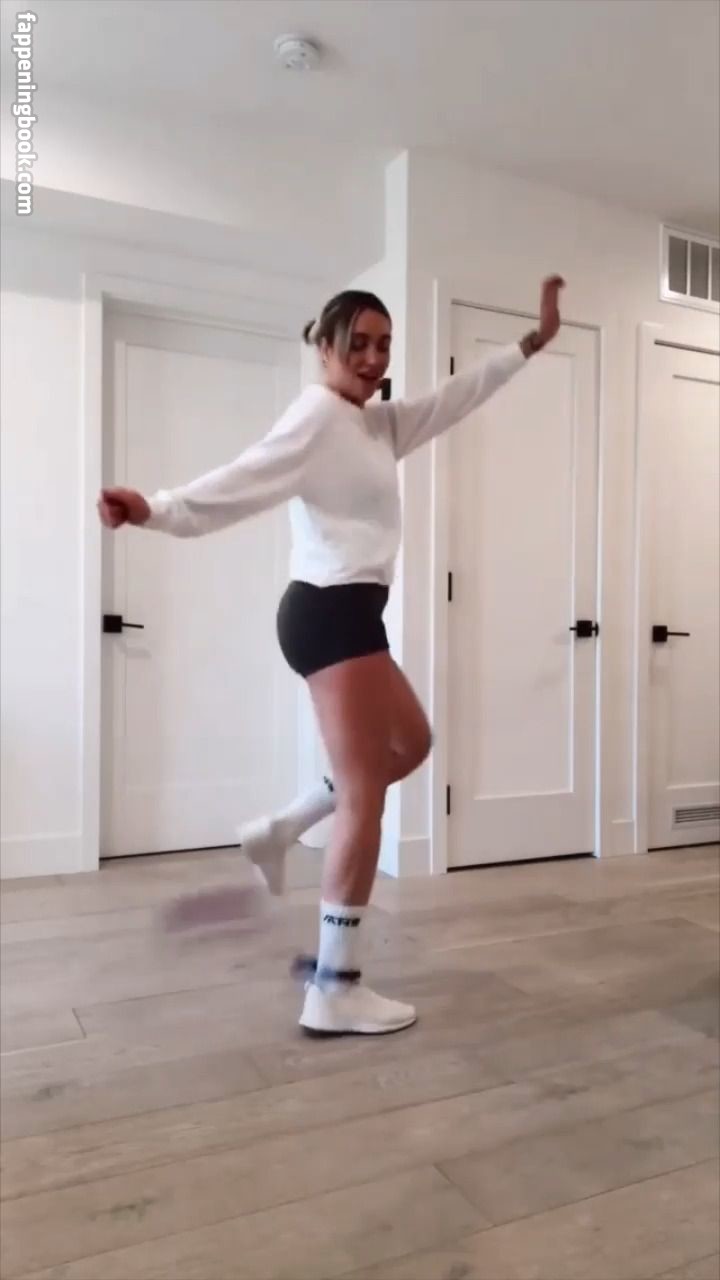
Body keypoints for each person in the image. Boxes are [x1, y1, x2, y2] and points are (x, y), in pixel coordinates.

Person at [98, 274, 564, 1036]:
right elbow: (241, 480)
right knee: (364, 796)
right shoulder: (317, 417)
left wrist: (531, 343)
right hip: (330, 613)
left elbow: (455, 398)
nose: (374, 359)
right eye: (358, 345)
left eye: (384, 346)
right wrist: (153, 508)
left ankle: (280, 830)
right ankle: (334, 986)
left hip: (347, 615)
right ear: (323, 346)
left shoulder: (375, 425)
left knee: (410, 743)